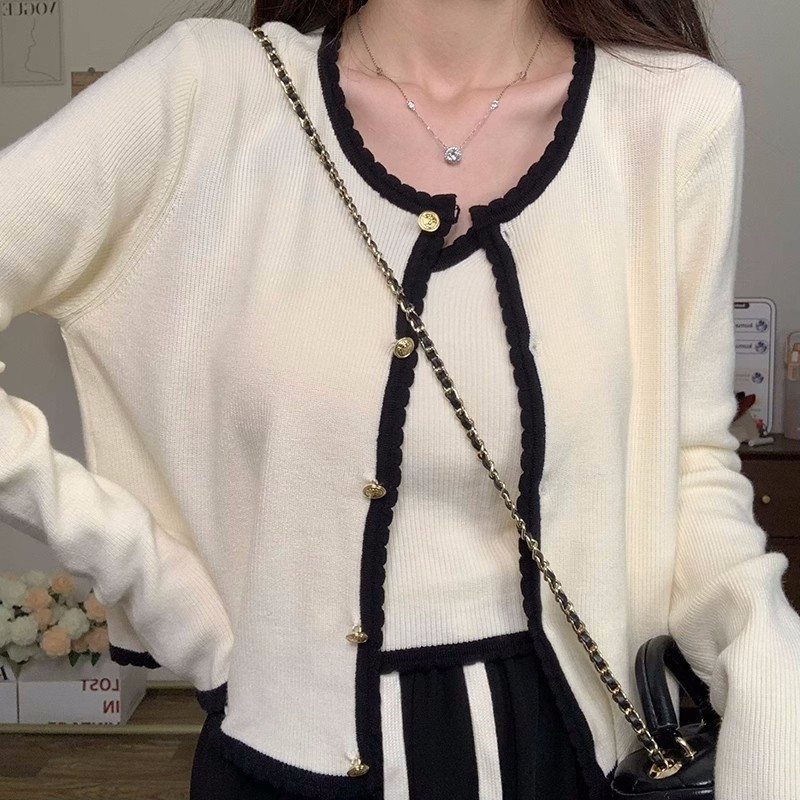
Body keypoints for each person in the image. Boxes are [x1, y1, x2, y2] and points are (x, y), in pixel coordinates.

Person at [1, 0, 799, 797]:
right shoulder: (207, 96)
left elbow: (692, 467)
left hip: (576, 753)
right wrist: (162, 588)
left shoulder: (672, 112)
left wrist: (768, 688)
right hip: (288, 751)